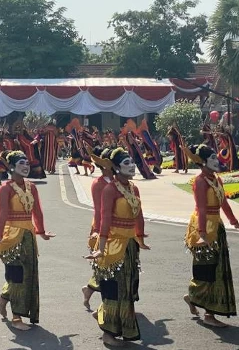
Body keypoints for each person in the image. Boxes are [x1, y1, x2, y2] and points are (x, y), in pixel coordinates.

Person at [85, 147, 150, 346]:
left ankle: (105, 316)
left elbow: (138, 215)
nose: (132, 166)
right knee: (113, 290)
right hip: (113, 245)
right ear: (115, 167)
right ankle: (108, 333)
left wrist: (140, 237)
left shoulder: (133, 188)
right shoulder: (109, 189)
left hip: (129, 246)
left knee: (127, 290)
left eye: (132, 162)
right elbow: (104, 220)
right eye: (126, 163)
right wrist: (100, 247)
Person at [0, 151, 55, 330]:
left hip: (28, 237)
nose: (26, 166)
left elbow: (37, 211)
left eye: (27, 164)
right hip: (11, 237)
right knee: (16, 275)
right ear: (12, 167)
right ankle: (16, 318)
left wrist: (42, 231)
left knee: (28, 274)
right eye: (21, 163)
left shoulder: (32, 187)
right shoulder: (5, 189)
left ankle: (4, 298)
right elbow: (2, 215)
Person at [182, 144, 239, 327]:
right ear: (202, 162)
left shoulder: (217, 180)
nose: (217, 161)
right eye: (213, 159)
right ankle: (204, 309)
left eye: (216, 158)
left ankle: (196, 301)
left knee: (217, 270)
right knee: (206, 269)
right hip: (203, 227)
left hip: (217, 226)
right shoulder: (199, 181)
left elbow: (224, 203)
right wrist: (202, 233)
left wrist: (234, 221)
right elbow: (201, 208)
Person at [82, 147, 113, 310]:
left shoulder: (121, 181)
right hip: (104, 226)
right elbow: (99, 209)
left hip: (121, 228)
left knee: (113, 264)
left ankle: (89, 289)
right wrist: (98, 231)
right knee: (106, 264)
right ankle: (108, 304)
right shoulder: (98, 184)